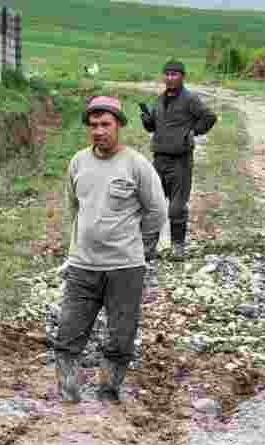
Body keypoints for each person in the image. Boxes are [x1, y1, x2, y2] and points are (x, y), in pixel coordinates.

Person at [55, 96, 167, 403]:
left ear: (119, 126)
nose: (99, 131)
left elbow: (157, 211)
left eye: (105, 124)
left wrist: (133, 240)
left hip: (124, 268)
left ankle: (108, 394)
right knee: (67, 336)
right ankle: (68, 397)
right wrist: (78, 243)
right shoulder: (78, 162)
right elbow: (73, 206)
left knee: (120, 338)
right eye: (93, 125)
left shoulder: (136, 165)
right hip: (83, 266)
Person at [140, 59, 217, 260]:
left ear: (182, 76)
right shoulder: (159, 100)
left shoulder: (190, 99)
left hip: (180, 160)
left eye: (175, 74)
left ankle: (177, 247)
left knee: (176, 206)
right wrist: (147, 119)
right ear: (163, 76)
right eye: (167, 74)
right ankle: (148, 248)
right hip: (159, 158)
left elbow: (209, 117)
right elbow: (151, 127)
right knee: (154, 204)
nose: (170, 77)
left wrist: (194, 132)